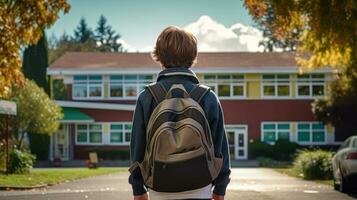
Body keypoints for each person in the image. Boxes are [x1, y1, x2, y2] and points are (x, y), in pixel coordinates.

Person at [129, 26, 231, 200]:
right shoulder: (207, 96)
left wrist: (138, 188)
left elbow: (138, 147)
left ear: (159, 57)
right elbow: (220, 147)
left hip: (159, 185)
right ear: (193, 58)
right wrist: (220, 187)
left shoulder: (147, 97)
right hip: (200, 184)